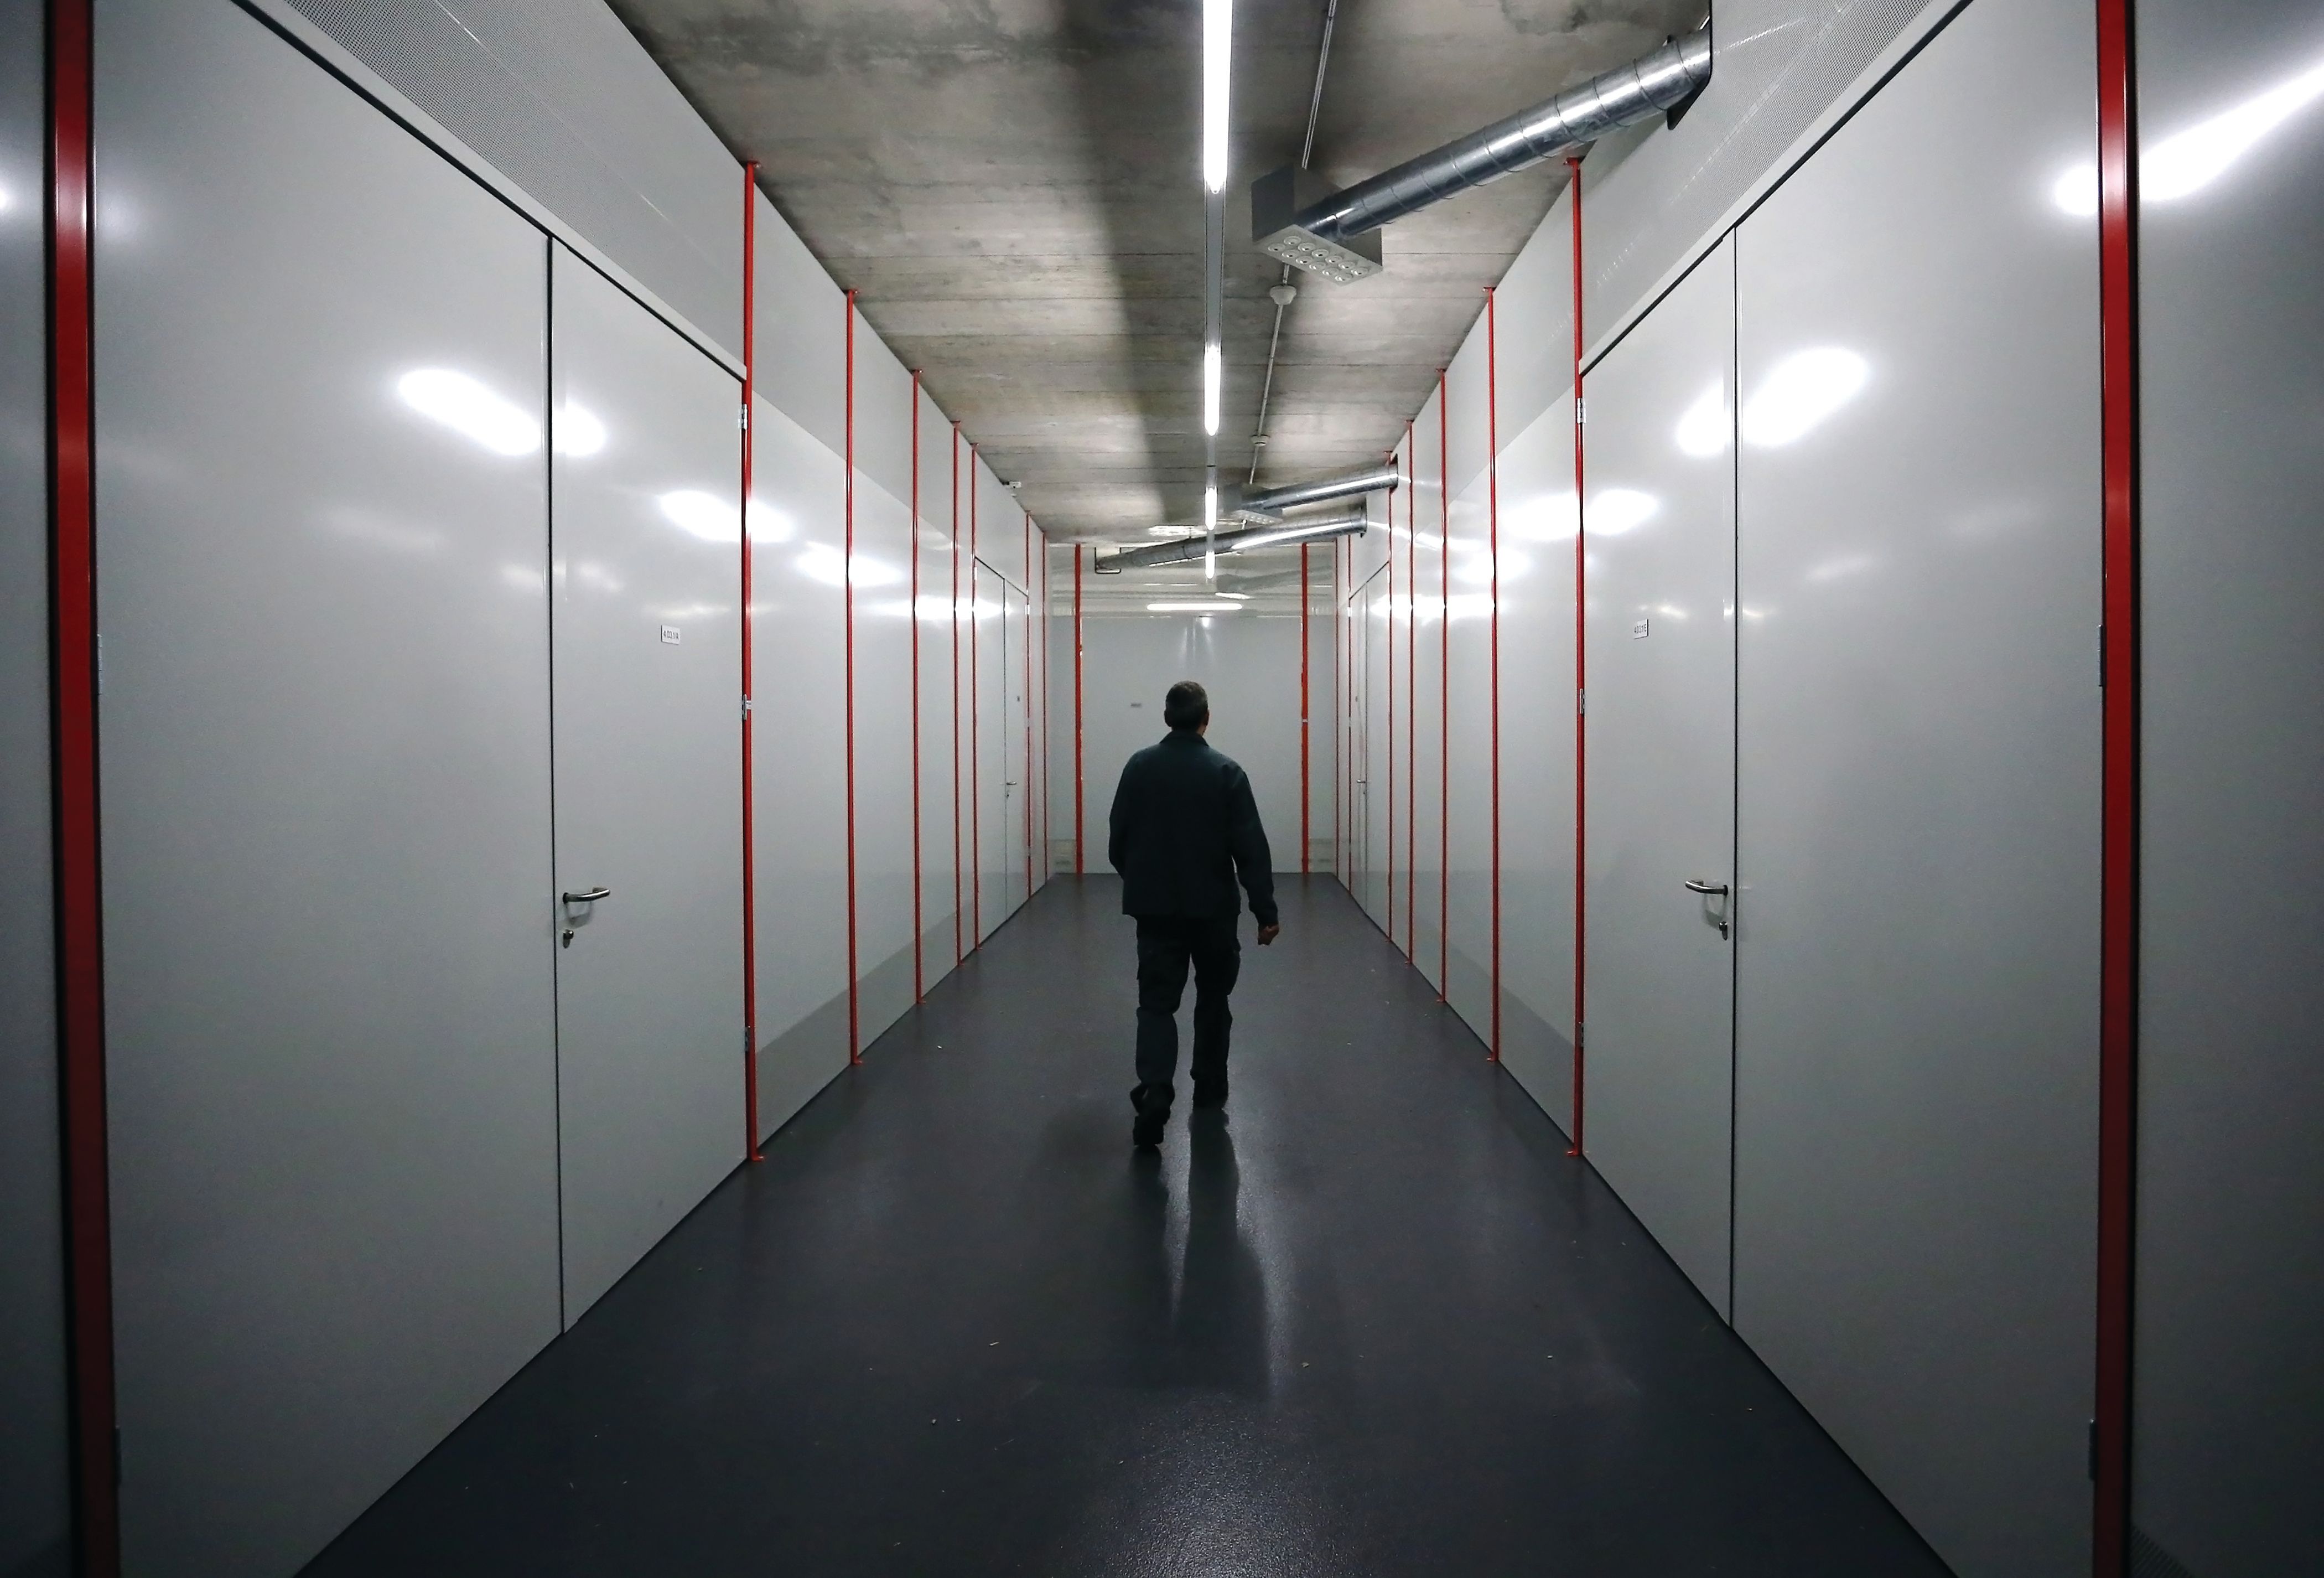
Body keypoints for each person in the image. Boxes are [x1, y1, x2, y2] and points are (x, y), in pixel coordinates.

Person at [1107, 679, 1280, 1148]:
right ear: (1207, 718)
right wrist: (1265, 911)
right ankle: (1209, 1086)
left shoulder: (1139, 767)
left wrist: (1142, 882)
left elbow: (1118, 839)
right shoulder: (1226, 772)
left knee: (1156, 1003)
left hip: (1156, 912)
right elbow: (1251, 848)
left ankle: (1155, 1089)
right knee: (1213, 998)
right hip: (1213, 912)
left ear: (1167, 718)